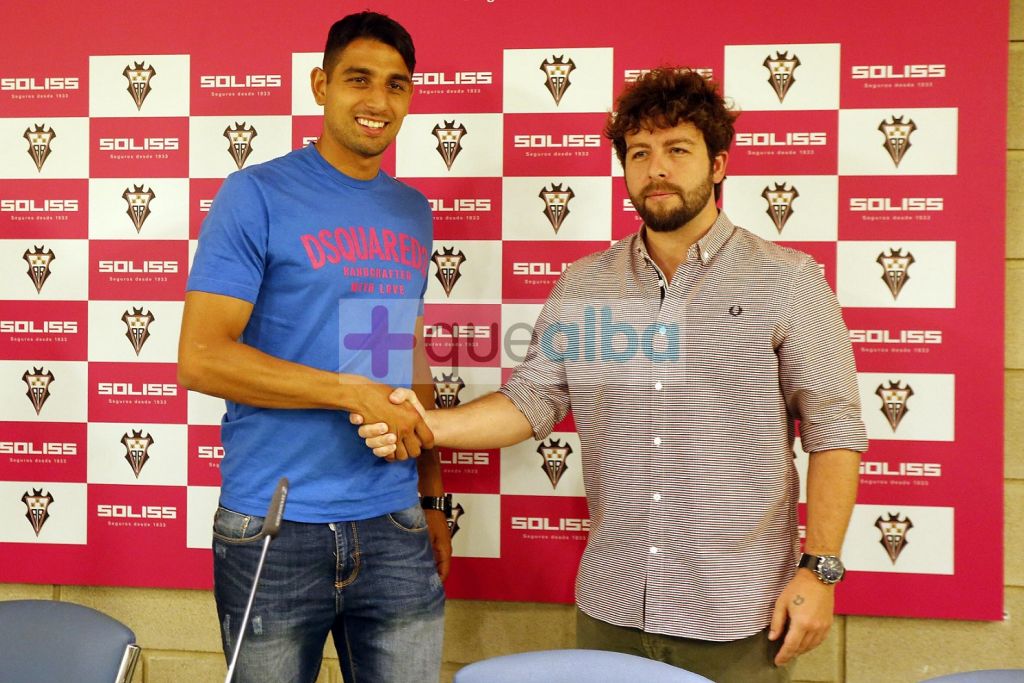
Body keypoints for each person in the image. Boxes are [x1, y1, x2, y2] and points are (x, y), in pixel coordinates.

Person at [353, 68, 867, 683]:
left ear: (719, 164)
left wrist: (821, 568)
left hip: (739, 614)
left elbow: (834, 432)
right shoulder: (584, 284)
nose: (657, 169)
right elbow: (531, 402)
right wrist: (423, 425)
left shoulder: (787, 279)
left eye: (678, 150)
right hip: (611, 609)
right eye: (640, 152)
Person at [177, 11, 449, 683]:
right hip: (273, 522)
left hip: (392, 518)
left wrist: (432, 495)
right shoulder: (255, 194)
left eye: (396, 84)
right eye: (359, 79)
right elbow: (202, 357)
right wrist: (348, 391)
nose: (378, 100)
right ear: (321, 85)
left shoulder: (411, 210)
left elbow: (398, 348)